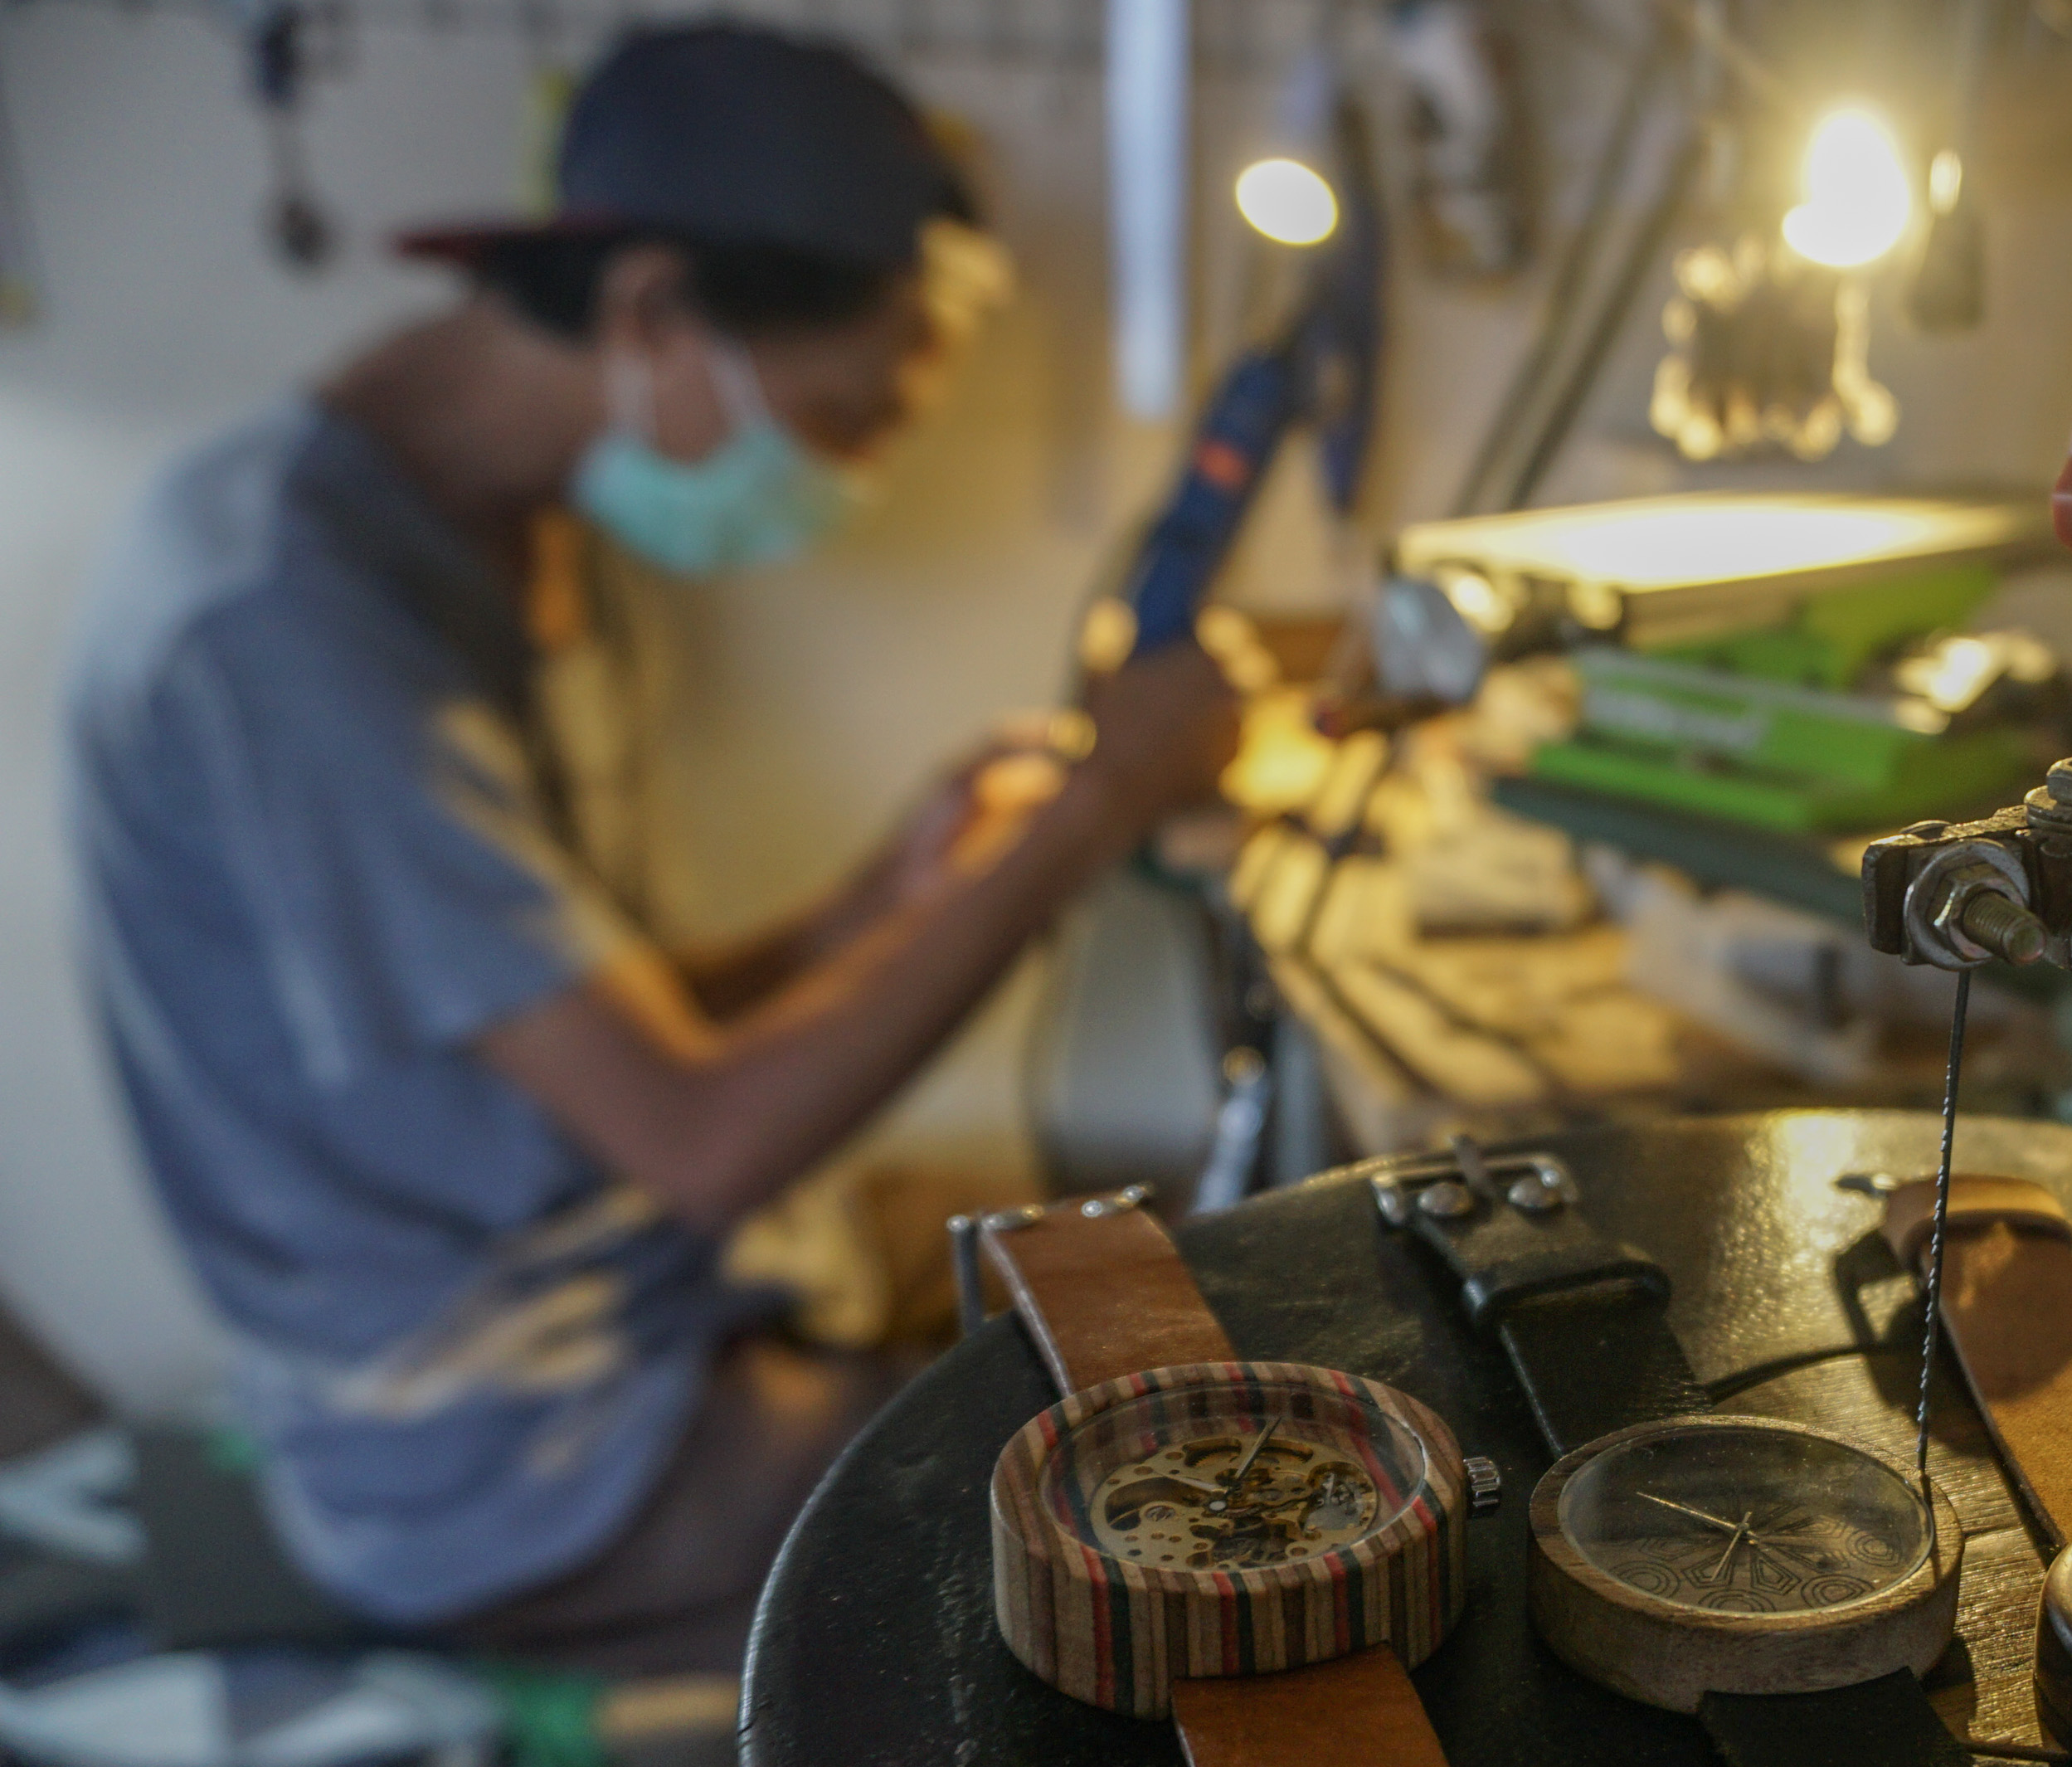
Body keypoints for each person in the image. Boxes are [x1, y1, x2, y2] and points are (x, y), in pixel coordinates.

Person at [65, 26, 1236, 1676]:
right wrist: (1094, 812)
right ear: (649, 312)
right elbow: (699, 1131)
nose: (848, 473)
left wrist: (865, 910)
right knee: (1138, 1501)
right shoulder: (289, 630)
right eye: (838, 416)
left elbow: (582, 1024)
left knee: (1146, 1270)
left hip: (618, 1290)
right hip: (495, 1451)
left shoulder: (501, 526)